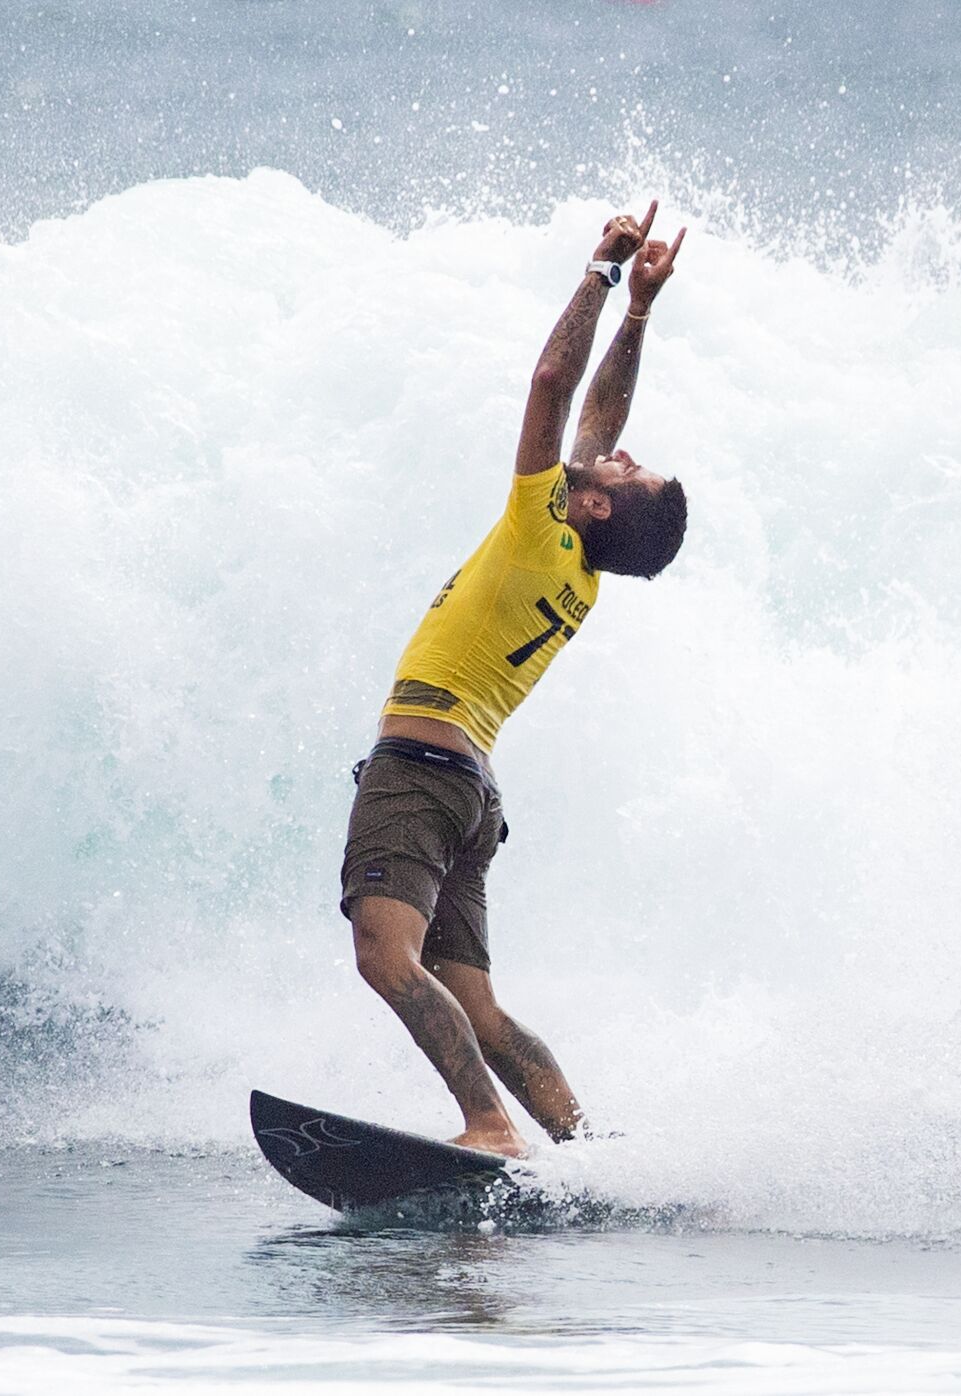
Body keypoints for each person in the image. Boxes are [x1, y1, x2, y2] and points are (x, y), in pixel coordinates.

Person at [339, 201, 690, 1158]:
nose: (617, 451)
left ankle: (491, 1126)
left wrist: (602, 271)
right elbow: (598, 415)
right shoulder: (580, 567)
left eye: (626, 470)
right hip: (471, 791)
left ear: (590, 507)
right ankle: (586, 1154)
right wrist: (642, 317)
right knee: (482, 1008)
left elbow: (551, 384)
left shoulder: (545, 529)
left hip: (419, 769)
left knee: (385, 958)